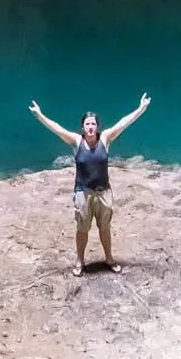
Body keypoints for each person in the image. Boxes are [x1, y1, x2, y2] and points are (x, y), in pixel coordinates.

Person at [29, 93, 151, 275]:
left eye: (93, 123)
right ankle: (79, 261)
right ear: (83, 127)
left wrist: (141, 109)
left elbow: (123, 123)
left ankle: (109, 258)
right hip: (83, 193)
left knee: (105, 228)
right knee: (82, 229)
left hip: (103, 193)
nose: (91, 127)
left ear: (97, 126)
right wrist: (39, 115)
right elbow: (57, 128)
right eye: (87, 124)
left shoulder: (105, 139)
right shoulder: (77, 141)